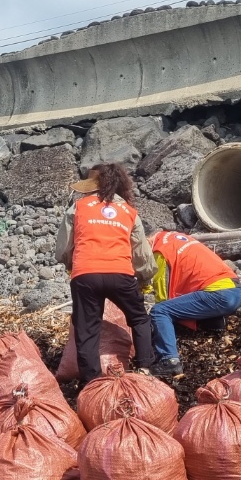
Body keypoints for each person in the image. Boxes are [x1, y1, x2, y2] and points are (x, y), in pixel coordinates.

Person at [54, 163, 156, 384]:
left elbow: (63, 248)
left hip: (85, 274)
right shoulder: (129, 212)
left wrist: (71, 264)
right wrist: (144, 277)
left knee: (87, 327)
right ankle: (144, 368)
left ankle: (92, 382)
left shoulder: (78, 207)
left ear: (93, 186)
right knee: (139, 317)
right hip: (120, 273)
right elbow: (142, 252)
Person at [146, 229, 241, 378]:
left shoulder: (160, 250)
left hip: (217, 294)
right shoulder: (176, 238)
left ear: (147, 240)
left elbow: (162, 295)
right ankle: (214, 323)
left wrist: (152, 326)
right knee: (182, 304)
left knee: (160, 311)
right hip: (234, 290)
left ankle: (169, 361)